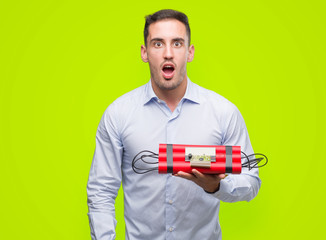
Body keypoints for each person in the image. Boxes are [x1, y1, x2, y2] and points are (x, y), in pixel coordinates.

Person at [87, 9, 261, 240]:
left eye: (177, 43)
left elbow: (251, 182)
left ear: (190, 52)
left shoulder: (223, 112)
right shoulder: (118, 114)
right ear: (145, 52)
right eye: (158, 44)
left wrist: (217, 186)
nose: (168, 53)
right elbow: (101, 191)